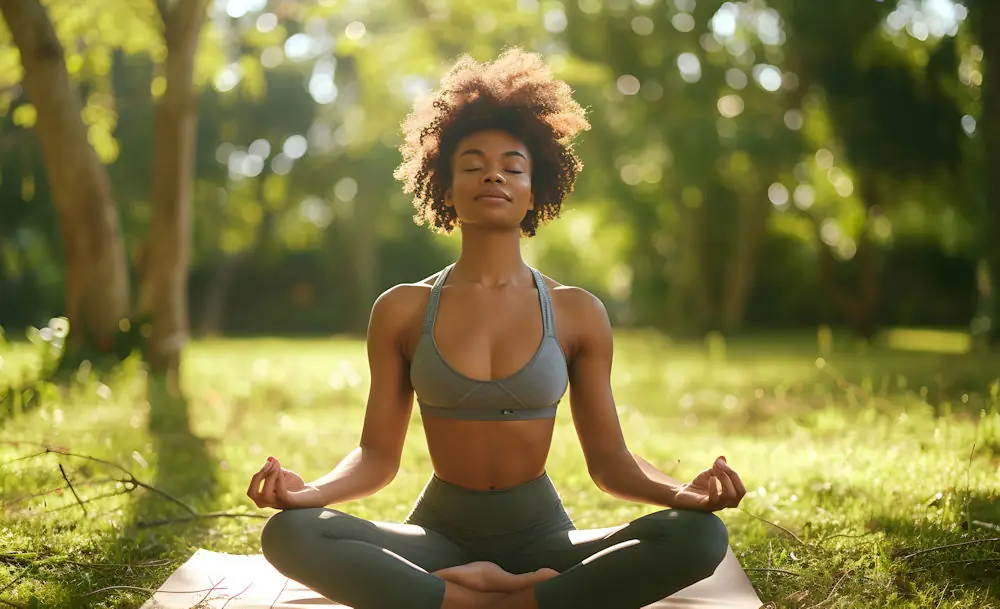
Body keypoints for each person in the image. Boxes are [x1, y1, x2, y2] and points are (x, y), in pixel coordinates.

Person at [247, 48, 747, 609]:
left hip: (544, 537)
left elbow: (610, 465)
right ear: (445, 184)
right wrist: (306, 491)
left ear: (535, 189)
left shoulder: (577, 311)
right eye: (473, 164)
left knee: (699, 535)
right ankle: (508, 601)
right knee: (291, 532)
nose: (493, 174)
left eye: (513, 166)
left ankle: (466, 600)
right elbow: (376, 458)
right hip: (436, 537)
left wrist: (683, 492)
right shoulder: (403, 309)